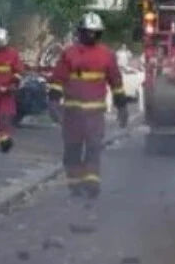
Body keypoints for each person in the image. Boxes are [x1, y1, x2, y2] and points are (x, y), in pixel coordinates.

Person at [48, 12, 128, 199]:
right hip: (72, 115)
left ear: (99, 34)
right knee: (72, 151)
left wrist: (122, 107)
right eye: (87, 32)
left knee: (93, 150)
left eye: (94, 32)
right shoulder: (69, 54)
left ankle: (91, 184)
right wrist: (53, 102)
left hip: (94, 115)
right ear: (80, 32)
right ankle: (75, 185)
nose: (90, 36)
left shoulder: (107, 55)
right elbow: (57, 80)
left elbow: (116, 83)